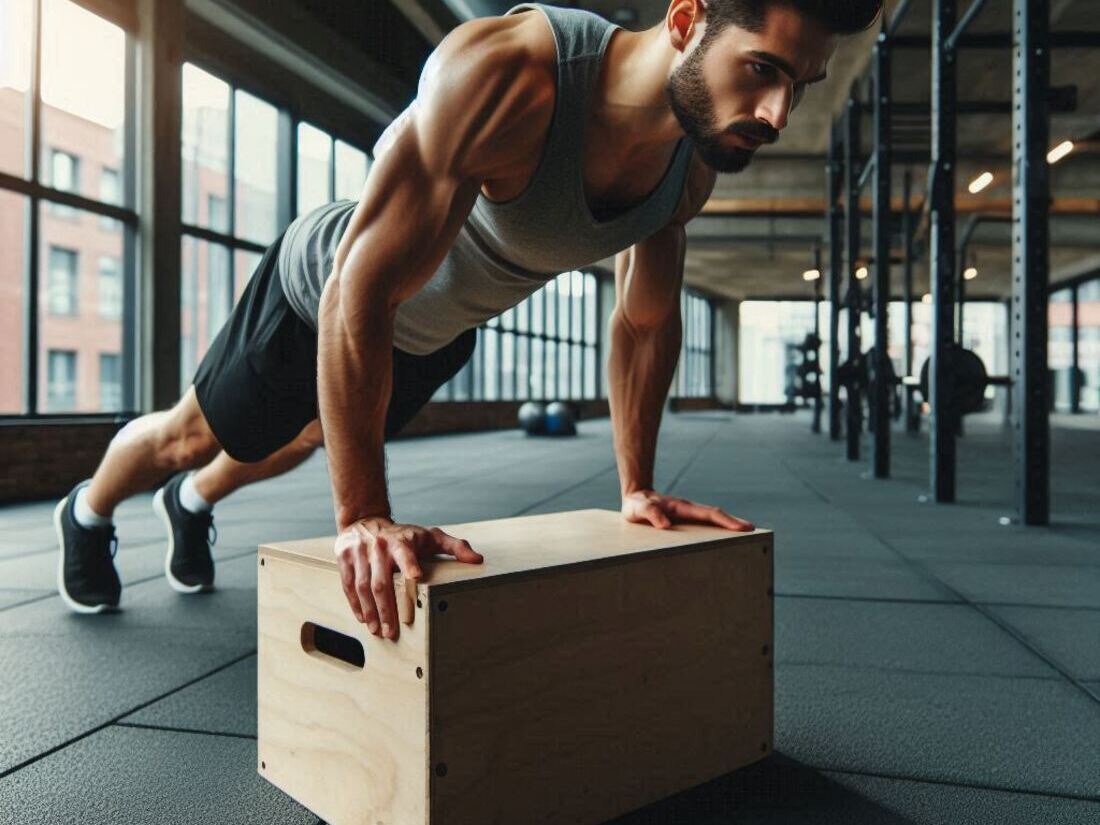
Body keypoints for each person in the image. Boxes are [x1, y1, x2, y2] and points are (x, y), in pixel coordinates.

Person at [54, 0, 881, 634]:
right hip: (324, 292)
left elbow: (643, 324)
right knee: (194, 435)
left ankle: (193, 505)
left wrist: (636, 486)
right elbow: (359, 289)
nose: (777, 115)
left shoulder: (690, 170)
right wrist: (362, 518)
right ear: (687, 18)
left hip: (434, 332)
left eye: (797, 87)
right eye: (763, 69)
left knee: (306, 438)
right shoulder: (512, 72)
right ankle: (89, 511)